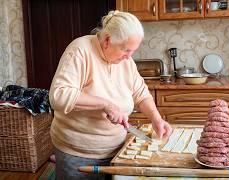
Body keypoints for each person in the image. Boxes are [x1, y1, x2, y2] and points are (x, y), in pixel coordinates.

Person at [49, 10, 172, 180]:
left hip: (117, 151)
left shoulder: (126, 62)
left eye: (132, 51)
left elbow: (140, 92)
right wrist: (106, 104)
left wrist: (156, 118)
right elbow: (59, 95)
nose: (129, 57)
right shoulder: (80, 50)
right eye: (126, 50)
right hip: (78, 153)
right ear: (107, 40)